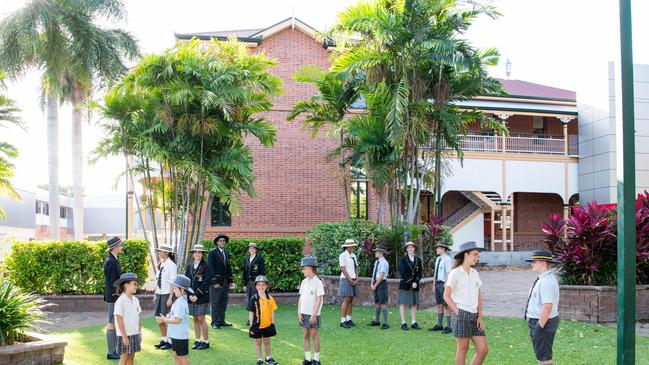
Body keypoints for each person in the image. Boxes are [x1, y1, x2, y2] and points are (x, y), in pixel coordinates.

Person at [444, 241, 488, 365]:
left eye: (477, 255)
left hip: (475, 316)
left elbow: (478, 296)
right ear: (466, 255)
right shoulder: (455, 273)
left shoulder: (475, 273)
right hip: (461, 314)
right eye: (475, 254)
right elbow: (446, 296)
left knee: (483, 349)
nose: (477, 258)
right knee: (463, 349)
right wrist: (458, 312)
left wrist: (480, 316)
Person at [524, 250, 561, 365]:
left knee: (544, 358)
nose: (532, 264)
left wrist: (539, 328)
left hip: (543, 322)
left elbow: (547, 307)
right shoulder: (543, 279)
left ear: (543, 263)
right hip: (540, 322)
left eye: (534, 262)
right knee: (542, 355)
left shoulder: (546, 282)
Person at [155, 275, 192, 365]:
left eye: (175, 288)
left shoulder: (181, 302)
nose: (173, 290)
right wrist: (166, 318)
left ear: (182, 290)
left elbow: (177, 320)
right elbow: (174, 316)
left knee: (181, 357)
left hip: (180, 335)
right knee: (176, 355)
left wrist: (165, 320)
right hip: (176, 334)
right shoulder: (179, 300)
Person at [298, 256, 324, 365]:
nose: (302, 270)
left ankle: (316, 359)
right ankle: (308, 359)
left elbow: (319, 299)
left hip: (313, 314)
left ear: (311, 268)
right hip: (304, 313)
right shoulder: (304, 282)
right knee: (305, 335)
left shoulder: (318, 282)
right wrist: (299, 311)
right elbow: (300, 297)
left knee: (314, 335)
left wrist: (314, 314)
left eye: (304, 268)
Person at [113, 273, 144, 365]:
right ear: (126, 285)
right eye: (134, 284)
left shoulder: (135, 300)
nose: (136, 286)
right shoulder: (120, 301)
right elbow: (119, 319)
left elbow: (137, 317)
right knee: (125, 357)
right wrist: (124, 336)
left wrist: (139, 332)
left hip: (134, 333)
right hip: (125, 334)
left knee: (132, 356)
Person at [248, 275, 279, 365]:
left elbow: (272, 311)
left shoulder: (270, 298)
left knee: (267, 341)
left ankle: (268, 358)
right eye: (259, 285)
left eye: (263, 285)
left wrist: (272, 322)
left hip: (268, 324)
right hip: (257, 325)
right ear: (256, 286)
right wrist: (251, 325)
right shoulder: (253, 298)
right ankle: (259, 360)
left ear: (266, 286)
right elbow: (251, 312)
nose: (261, 287)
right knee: (258, 342)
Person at [184, 244, 210, 350]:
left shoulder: (206, 266)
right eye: (195, 252)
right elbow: (186, 282)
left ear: (202, 254)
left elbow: (206, 282)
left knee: (201, 318)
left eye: (199, 252)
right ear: (193, 254)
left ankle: (206, 341)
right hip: (191, 296)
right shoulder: (189, 266)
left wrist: (196, 295)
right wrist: (190, 295)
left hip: (202, 296)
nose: (197, 254)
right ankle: (198, 340)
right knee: (195, 318)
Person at [153, 244, 177, 350]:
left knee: (167, 318)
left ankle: (170, 341)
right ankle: (164, 339)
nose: (159, 253)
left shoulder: (172, 265)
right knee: (159, 318)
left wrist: (170, 298)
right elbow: (158, 280)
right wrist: (155, 294)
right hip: (159, 294)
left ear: (167, 253)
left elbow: (173, 283)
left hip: (167, 294)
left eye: (161, 251)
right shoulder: (161, 264)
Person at [208, 233, 234, 329]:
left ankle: (221, 321)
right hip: (216, 282)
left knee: (223, 302)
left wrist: (231, 281)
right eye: (220, 241)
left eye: (224, 241)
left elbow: (228, 267)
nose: (222, 242)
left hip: (225, 282)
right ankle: (215, 322)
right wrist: (214, 282)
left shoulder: (226, 253)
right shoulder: (212, 252)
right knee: (215, 303)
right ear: (217, 242)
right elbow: (210, 268)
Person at [103, 236, 123, 360]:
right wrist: (117, 293)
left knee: (114, 322)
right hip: (113, 297)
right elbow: (111, 282)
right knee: (111, 323)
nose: (122, 247)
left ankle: (114, 350)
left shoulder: (114, 259)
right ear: (115, 247)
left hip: (115, 296)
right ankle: (111, 353)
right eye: (120, 245)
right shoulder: (110, 261)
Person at [397, 241, 423, 330]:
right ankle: (403, 323)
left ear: (414, 248)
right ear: (406, 249)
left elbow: (420, 273)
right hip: (405, 284)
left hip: (415, 285)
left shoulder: (418, 260)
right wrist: (411, 282)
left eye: (412, 247)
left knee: (414, 303)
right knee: (403, 303)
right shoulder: (402, 259)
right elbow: (402, 272)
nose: (410, 249)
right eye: (408, 247)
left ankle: (413, 322)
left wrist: (416, 282)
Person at [430, 242, 453, 334]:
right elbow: (435, 273)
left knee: (446, 305)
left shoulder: (447, 259)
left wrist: (446, 284)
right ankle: (439, 325)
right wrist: (433, 284)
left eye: (438, 248)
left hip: (444, 284)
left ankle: (449, 326)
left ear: (443, 249)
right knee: (439, 304)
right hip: (437, 283)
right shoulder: (438, 259)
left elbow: (449, 272)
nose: (436, 249)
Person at [367, 244, 389, 330]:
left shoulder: (384, 263)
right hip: (376, 282)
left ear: (381, 253)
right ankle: (377, 321)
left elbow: (382, 275)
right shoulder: (377, 262)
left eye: (377, 251)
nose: (375, 253)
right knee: (377, 301)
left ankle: (385, 323)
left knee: (382, 302)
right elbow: (374, 274)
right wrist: (372, 283)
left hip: (381, 283)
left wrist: (375, 285)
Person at [338, 238, 359, 329]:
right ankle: (343, 321)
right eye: (352, 246)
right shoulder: (342, 255)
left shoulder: (354, 255)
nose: (353, 247)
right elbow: (343, 268)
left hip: (353, 278)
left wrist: (357, 278)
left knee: (351, 299)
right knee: (346, 299)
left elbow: (356, 268)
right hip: (346, 279)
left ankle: (349, 319)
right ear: (348, 246)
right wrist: (350, 280)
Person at [243, 242, 266, 316]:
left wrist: (260, 284)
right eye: (250, 248)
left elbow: (262, 272)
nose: (251, 249)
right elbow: (245, 272)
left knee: (256, 300)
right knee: (249, 301)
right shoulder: (246, 259)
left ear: (256, 249)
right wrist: (244, 284)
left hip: (256, 283)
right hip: (248, 283)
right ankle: (250, 318)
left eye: (253, 248)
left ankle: (257, 317)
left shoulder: (260, 259)